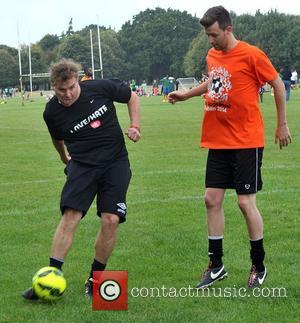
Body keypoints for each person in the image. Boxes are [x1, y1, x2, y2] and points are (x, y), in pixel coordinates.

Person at [168, 6, 291, 289]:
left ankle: (258, 266)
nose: (210, 40)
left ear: (228, 29)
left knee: (245, 203)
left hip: (246, 140)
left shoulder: (251, 54)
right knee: (211, 199)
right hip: (218, 139)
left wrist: (282, 124)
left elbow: (277, 84)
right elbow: (214, 82)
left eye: (213, 34)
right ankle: (216, 265)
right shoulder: (213, 55)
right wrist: (186, 95)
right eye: (207, 35)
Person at [22, 59, 141, 300]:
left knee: (111, 219)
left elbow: (132, 97)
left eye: (71, 88)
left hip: (115, 162)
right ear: (53, 86)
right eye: (61, 90)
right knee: (71, 216)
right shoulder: (51, 112)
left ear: (78, 81)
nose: (67, 94)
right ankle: (50, 277)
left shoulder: (100, 88)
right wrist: (63, 156)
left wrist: (135, 125)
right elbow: (56, 138)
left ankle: (96, 280)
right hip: (82, 165)